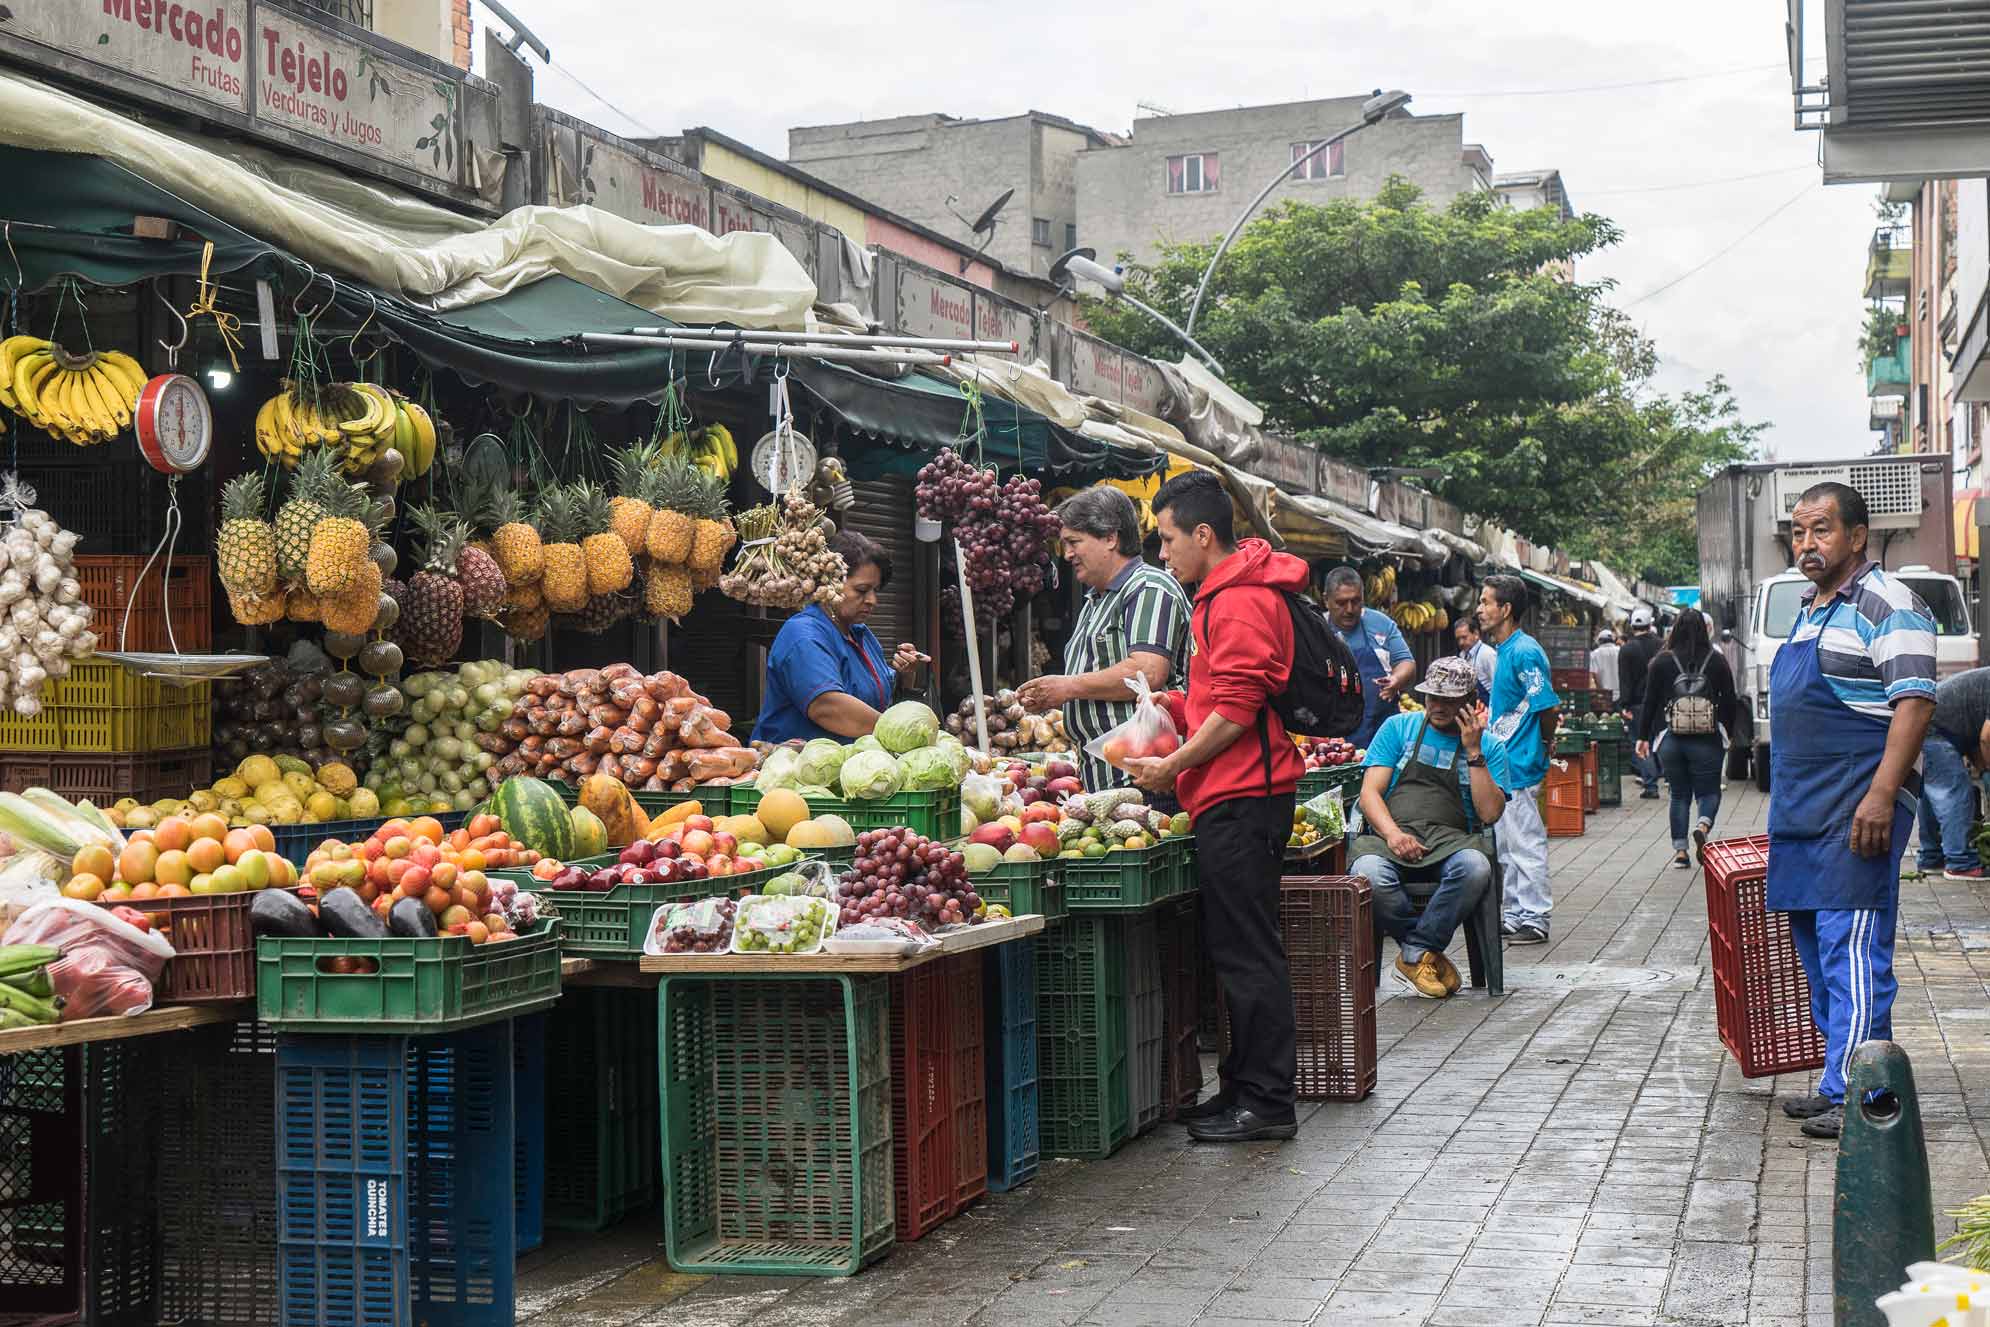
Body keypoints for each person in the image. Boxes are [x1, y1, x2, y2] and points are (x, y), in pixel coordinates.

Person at [1124, 469, 1305, 1144]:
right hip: (1226, 794)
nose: (1162, 553)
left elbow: (1238, 707)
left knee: (1250, 950)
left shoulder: (1242, 599)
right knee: (1233, 949)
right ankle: (1239, 1088)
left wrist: (1172, 764)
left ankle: (1268, 1102)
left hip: (1246, 796)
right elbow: (1217, 699)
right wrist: (1168, 707)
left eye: (1168, 539)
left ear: (1204, 534)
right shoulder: (1216, 596)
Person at [1768, 481, 1936, 1141]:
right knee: (1817, 950)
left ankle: (1866, 1096)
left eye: (1822, 530)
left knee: (1855, 951)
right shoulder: (1811, 609)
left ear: (1857, 536)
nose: (1807, 544)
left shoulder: (1887, 604)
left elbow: (1916, 701)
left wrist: (1882, 793)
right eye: (1799, 532)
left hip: (1859, 806)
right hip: (1806, 811)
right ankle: (1839, 1078)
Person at [1351, 656, 1509, 999]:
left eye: (1450, 700)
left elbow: (1490, 813)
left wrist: (1473, 752)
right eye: (1432, 697)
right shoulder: (1397, 729)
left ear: (1469, 703)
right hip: (1390, 835)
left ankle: (1413, 952)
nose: (1438, 706)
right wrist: (1392, 835)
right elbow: (1369, 794)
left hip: (1451, 841)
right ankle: (1422, 953)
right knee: (1368, 873)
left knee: (1476, 868)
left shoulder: (1491, 747)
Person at [1017, 487, 1190, 793]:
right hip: (1107, 778)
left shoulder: (1148, 587)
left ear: (1110, 538)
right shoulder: (1096, 600)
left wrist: (1067, 687)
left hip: (1142, 779)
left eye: (1074, 542)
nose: (1067, 554)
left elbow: (1147, 672)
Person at [751, 529, 926, 744]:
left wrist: (905, 676)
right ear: (829, 583)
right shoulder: (803, 635)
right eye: (862, 590)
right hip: (798, 770)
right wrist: (902, 733)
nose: (872, 600)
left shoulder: (860, 634)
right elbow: (828, 707)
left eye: (875, 591)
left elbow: (878, 701)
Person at [1479, 574, 1560, 945]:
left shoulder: (1524, 651)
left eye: (1486, 602)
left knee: (1525, 841)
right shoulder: (1505, 650)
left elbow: (1547, 706)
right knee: (1505, 844)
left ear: (1505, 609)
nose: (1480, 609)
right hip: (1503, 763)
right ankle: (1512, 913)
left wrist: (1544, 743)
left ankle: (1536, 916)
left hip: (1521, 763)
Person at [1634, 608, 1737, 869]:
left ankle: (1680, 852)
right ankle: (1703, 824)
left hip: (1672, 740)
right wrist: (1728, 731)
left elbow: (1650, 702)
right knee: (1709, 791)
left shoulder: (1662, 661)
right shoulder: (1716, 660)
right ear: (1705, 629)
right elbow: (1730, 700)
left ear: (1675, 629)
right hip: (1708, 740)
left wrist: (1643, 736)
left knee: (1679, 795)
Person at [1323, 566, 1416, 749]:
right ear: (1326, 600)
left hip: (1383, 731)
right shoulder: (1315, 629)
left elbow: (1407, 662)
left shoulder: (1380, 623)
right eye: (1341, 603)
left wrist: (1395, 679)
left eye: (1356, 601)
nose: (1349, 609)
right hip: (1334, 739)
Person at [1923, 669, 1990, 881]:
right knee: (1954, 793)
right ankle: (1961, 863)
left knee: (1932, 793)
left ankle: (1932, 858)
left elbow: (1972, 732)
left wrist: (1983, 769)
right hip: (1933, 728)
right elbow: (1987, 738)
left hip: (1927, 723)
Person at [1619, 607, 1663, 799]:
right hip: (1661, 703)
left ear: (1632, 626)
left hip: (1638, 705)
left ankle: (1651, 785)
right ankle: (1668, 776)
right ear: (1650, 624)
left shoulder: (1626, 649)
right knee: (1659, 740)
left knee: (1641, 742)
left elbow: (1625, 680)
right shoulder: (1662, 646)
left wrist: (1625, 705)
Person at [1455, 614, 1496, 701]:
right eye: (1458, 639)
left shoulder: (1487, 654)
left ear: (1476, 634)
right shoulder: (1462, 656)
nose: (1461, 642)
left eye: (1464, 637)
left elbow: (1500, 685)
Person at [1589, 629, 1622, 706]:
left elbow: (1591, 676)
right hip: (1621, 695)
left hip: (1603, 697)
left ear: (1599, 641)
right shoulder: (1621, 651)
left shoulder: (1594, 654)